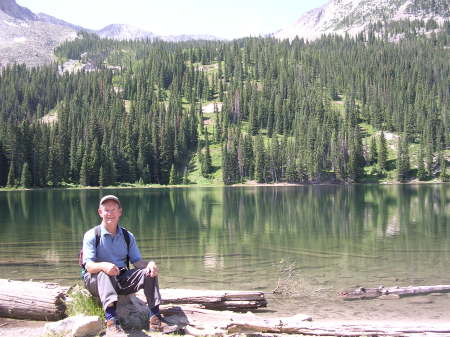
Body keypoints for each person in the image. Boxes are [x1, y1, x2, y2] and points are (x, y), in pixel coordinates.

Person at [82, 195, 175, 336]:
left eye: (113, 210)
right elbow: (89, 266)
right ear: (100, 212)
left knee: (148, 272)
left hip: (121, 277)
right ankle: (112, 322)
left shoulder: (127, 236)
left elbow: (137, 262)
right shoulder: (92, 235)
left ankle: (155, 319)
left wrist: (150, 264)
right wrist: (104, 266)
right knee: (103, 274)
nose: (110, 213)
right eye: (106, 210)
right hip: (95, 280)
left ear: (120, 212)